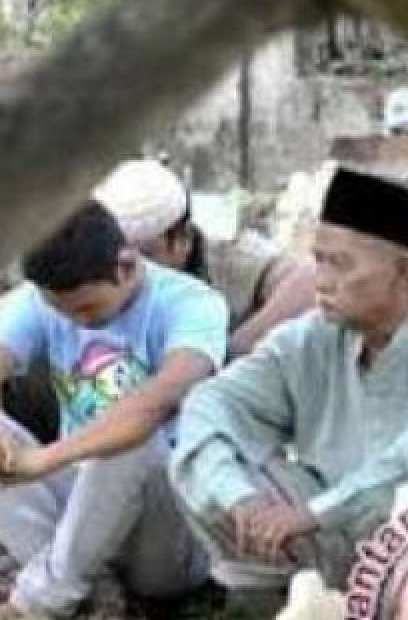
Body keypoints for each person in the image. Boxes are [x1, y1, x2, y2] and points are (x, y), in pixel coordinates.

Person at [0, 201, 227, 617]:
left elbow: (156, 403)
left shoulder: (193, 304)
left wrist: (43, 459)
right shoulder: (43, 300)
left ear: (126, 266)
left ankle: (38, 604)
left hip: (170, 532)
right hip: (82, 513)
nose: (77, 321)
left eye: (87, 309)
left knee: (129, 439)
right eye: (62, 312)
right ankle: (86, 593)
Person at [171, 167, 408, 612]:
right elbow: (211, 404)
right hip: (329, 540)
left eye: (339, 264)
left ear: (403, 271)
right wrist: (238, 497)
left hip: (392, 543)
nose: (320, 281)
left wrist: (314, 513)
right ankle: (272, 602)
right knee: (212, 454)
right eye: (318, 260)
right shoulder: (310, 338)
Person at [95, 158, 316, 357]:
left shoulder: (227, 258)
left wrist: (227, 352)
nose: (131, 271)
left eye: (147, 254)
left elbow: (309, 281)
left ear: (184, 238)